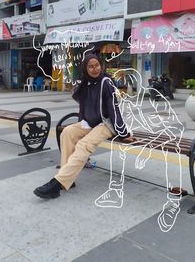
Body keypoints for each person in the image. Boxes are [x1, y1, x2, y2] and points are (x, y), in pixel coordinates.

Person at [95, 68, 184, 233]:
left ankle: (173, 205)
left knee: (168, 150)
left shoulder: (151, 97)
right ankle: (115, 191)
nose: (118, 89)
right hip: (143, 135)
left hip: (165, 136)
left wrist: (145, 153)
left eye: (123, 84)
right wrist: (123, 134)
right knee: (120, 143)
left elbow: (170, 129)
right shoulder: (126, 101)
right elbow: (119, 120)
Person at [33, 54, 134, 199]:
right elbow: (82, 104)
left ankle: (57, 182)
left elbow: (114, 109)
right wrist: (81, 85)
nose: (95, 69)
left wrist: (124, 133)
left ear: (101, 65)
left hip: (106, 123)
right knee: (67, 132)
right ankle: (68, 179)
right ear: (85, 68)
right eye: (90, 66)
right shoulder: (86, 82)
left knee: (83, 145)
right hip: (90, 122)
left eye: (97, 65)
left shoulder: (106, 83)